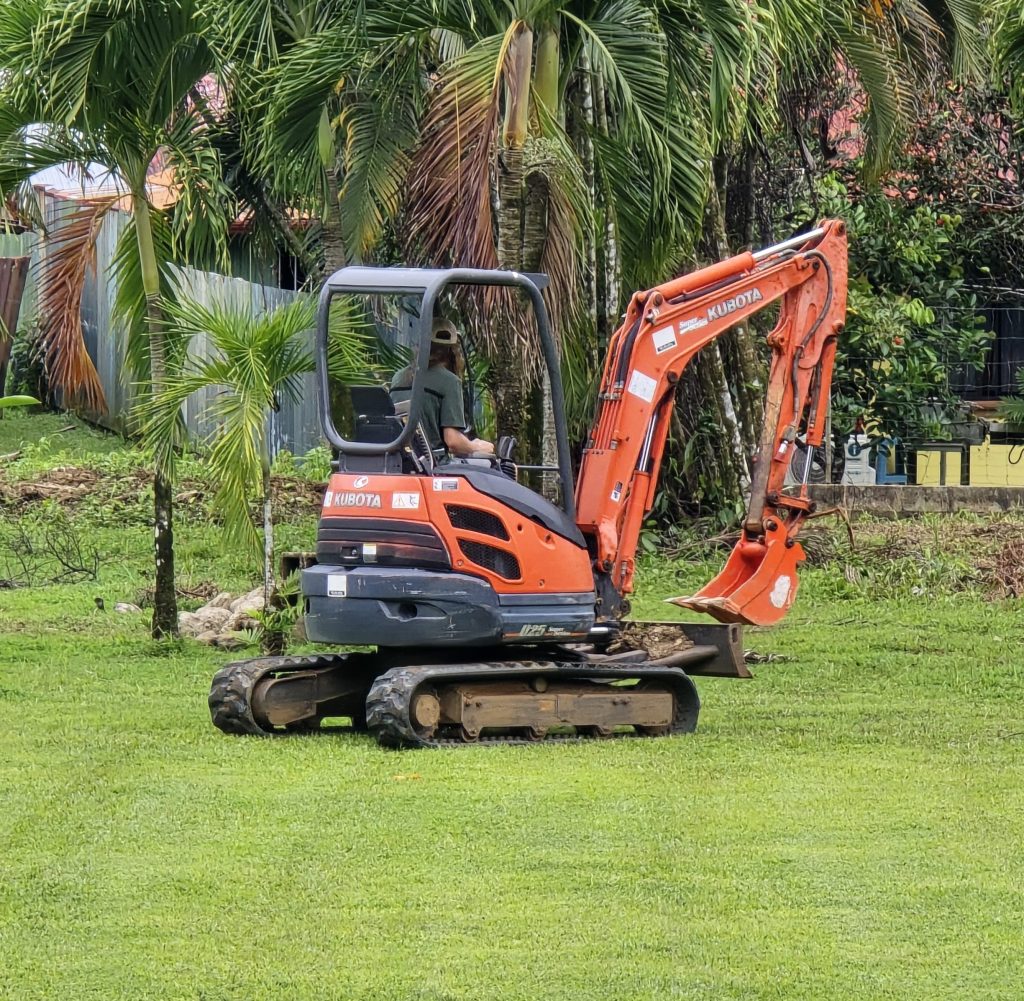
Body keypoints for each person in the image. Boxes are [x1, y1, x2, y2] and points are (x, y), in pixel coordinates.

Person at [390, 318, 494, 458]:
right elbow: (453, 442)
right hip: (432, 466)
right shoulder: (450, 382)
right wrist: (477, 446)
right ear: (454, 351)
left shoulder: (398, 378)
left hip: (399, 460)